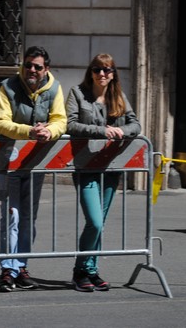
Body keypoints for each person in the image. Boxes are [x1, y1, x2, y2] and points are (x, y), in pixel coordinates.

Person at [0, 46, 67, 292]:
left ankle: (21, 266)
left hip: (36, 162)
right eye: (28, 65)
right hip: (9, 161)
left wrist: (49, 131)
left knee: (27, 217)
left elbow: (61, 120)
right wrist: (29, 132)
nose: (31, 70)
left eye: (37, 66)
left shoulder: (54, 88)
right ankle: (8, 269)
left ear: (46, 69)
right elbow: (0, 122)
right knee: (11, 215)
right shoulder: (8, 87)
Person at [65, 53, 141, 292]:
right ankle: (80, 271)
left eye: (107, 70)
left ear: (113, 74)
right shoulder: (78, 93)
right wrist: (102, 131)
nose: (102, 74)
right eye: (97, 69)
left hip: (111, 168)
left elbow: (135, 124)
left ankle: (91, 270)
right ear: (91, 72)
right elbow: (71, 123)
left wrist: (123, 131)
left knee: (101, 223)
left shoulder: (117, 96)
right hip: (86, 166)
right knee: (95, 222)